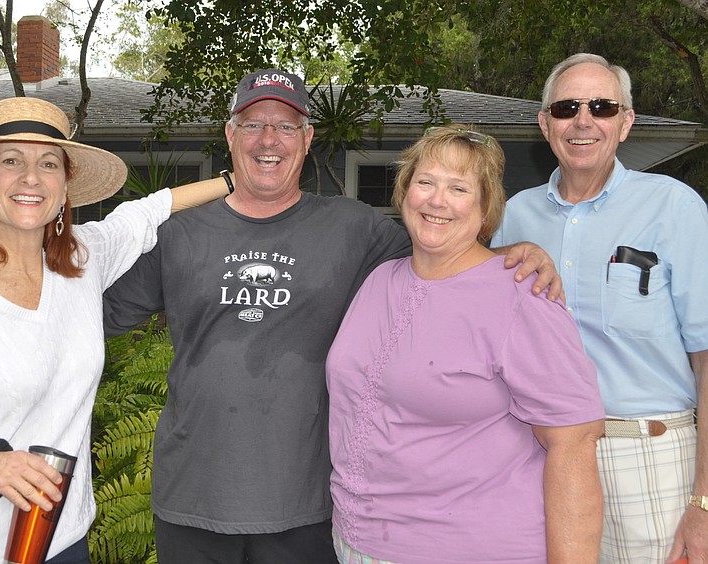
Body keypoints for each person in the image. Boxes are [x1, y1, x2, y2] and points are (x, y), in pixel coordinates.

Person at [102, 69, 562, 564]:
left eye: (286, 126)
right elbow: (89, 319)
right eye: (253, 124)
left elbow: (442, 255)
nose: (269, 139)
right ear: (230, 135)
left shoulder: (353, 228)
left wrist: (510, 255)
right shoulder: (178, 235)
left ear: (307, 139)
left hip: (309, 505)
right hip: (192, 500)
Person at [0, 96, 228, 563]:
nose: (31, 177)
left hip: (61, 539)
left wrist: (238, 180)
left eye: (49, 163)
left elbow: (150, 210)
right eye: (11, 161)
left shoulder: (81, 262)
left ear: (64, 187)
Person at [327, 126, 605, 564]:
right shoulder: (381, 279)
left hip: (468, 548)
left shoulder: (522, 296)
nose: (437, 200)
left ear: (485, 205)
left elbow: (574, 443)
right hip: (356, 542)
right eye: (426, 182)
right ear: (404, 191)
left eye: (459, 188)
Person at [490, 53, 708, 563]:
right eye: (566, 107)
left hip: (647, 460)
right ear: (545, 124)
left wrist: (704, 501)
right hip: (537, 455)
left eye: (602, 107)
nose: (583, 120)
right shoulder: (514, 215)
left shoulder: (674, 207)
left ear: (625, 123)